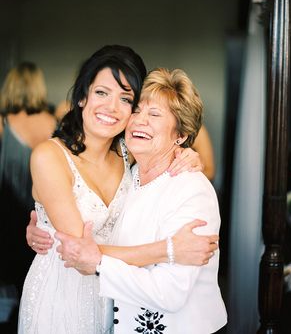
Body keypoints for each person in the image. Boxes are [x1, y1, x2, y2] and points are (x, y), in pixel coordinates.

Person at [18, 46, 218, 334]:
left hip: (114, 301)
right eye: (101, 93)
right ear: (82, 97)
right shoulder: (49, 157)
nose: (112, 108)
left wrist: (187, 154)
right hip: (61, 295)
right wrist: (169, 250)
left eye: (126, 99)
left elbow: (163, 147)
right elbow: (79, 253)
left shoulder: (129, 155)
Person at [0, 62, 56, 330]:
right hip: (46, 214)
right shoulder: (55, 122)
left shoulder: (2, 123)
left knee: (15, 277)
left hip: (9, 215)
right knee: (40, 278)